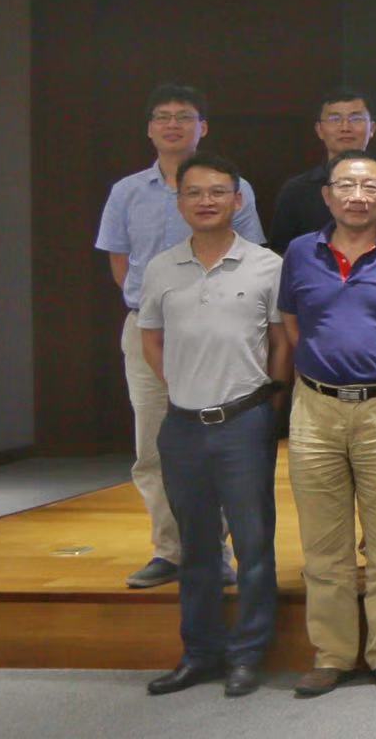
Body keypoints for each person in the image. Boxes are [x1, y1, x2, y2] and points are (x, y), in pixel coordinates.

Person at [96, 83, 265, 590]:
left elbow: (253, 255)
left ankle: (220, 553)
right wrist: (157, 309)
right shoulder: (126, 192)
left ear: (202, 127)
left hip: (221, 328)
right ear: (150, 128)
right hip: (150, 329)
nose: (173, 125)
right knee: (154, 447)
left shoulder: (234, 187)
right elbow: (121, 265)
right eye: (163, 117)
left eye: (184, 116)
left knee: (221, 445)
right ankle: (171, 550)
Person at [279, 150, 376, 697]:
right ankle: (333, 653)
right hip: (315, 408)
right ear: (327, 195)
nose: (357, 196)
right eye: (346, 185)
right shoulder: (300, 252)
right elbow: (292, 322)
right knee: (324, 542)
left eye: (370, 187)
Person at [138, 153, 289, 698]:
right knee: (196, 546)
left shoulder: (267, 265)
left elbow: (282, 342)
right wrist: (179, 384)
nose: (206, 201)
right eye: (195, 193)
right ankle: (199, 653)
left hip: (244, 421)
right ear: (179, 202)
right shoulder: (160, 268)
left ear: (238, 200)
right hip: (182, 425)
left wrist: (269, 400)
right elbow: (150, 337)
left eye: (218, 192)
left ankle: (248, 654)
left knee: (253, 543)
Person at [267, 87, 376, 254]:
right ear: (319, 130)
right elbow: (280, 254)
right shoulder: (295, 191)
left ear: (372, 129)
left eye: (356, 118)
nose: (345, 127)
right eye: (335, 119)